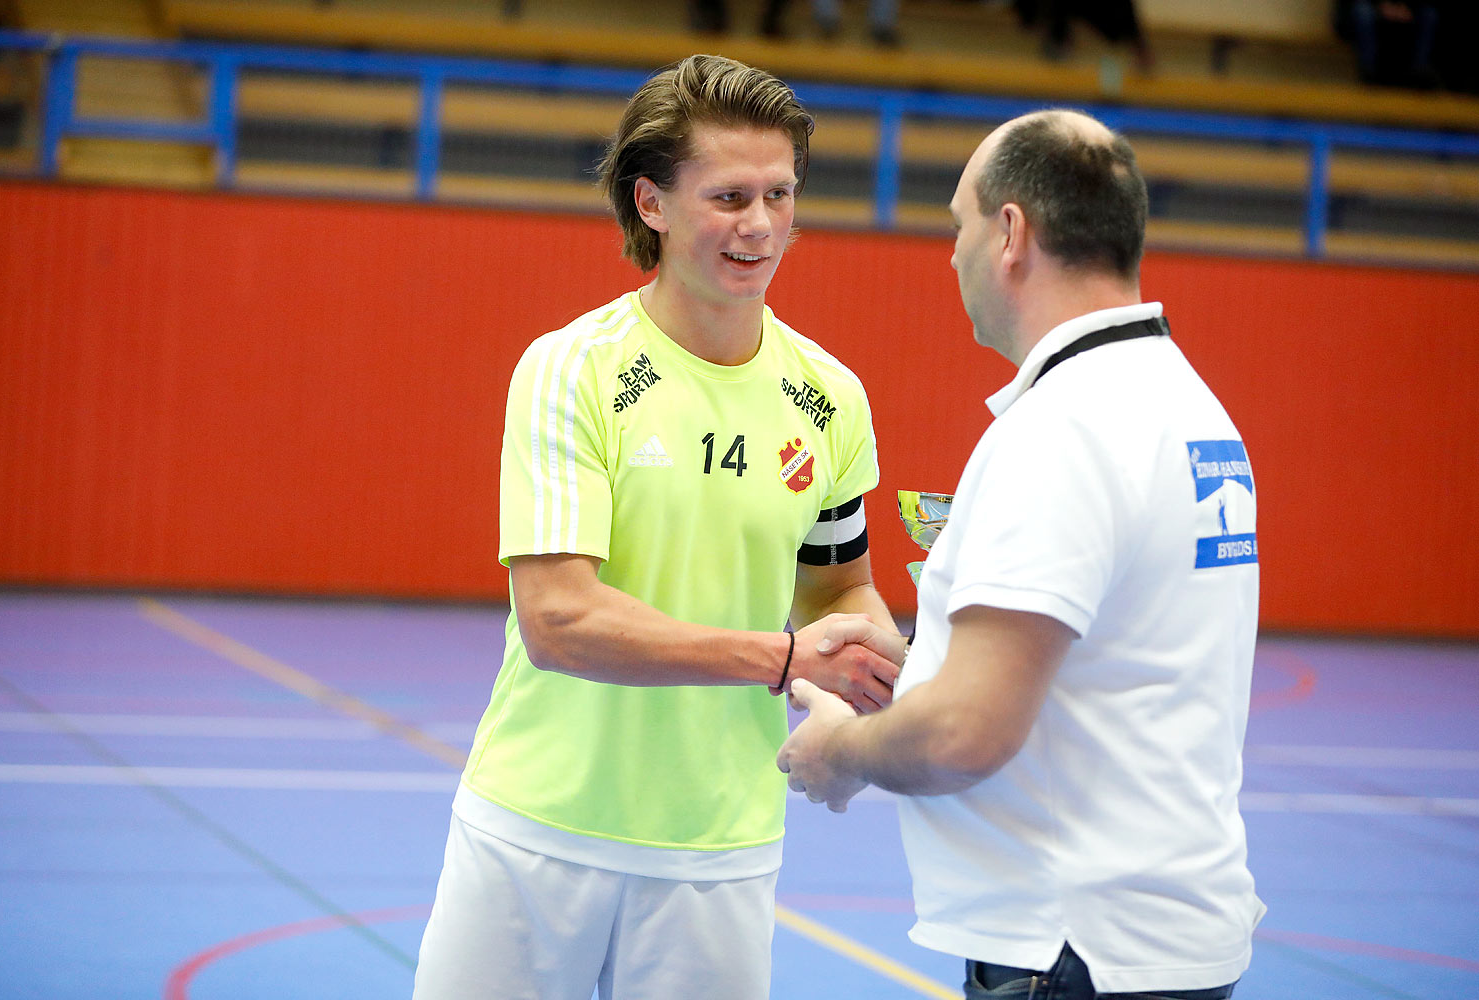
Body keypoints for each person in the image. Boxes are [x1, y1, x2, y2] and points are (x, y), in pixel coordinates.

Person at [412, 54, 902, 1000]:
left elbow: (840, 588)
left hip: (720, 848)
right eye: (727, 196)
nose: (759, 225)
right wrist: (786, 660)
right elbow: (560, 622)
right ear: (652, 206)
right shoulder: (571, 371)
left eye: (779, 194)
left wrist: (864, 680)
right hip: (536, 832)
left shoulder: (831, 398)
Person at [778, 109, 1264, 999]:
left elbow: (968, 733)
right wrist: (931, 663)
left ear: (1010, 234)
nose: (951, 254)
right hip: (1155, 936)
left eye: (958, 224)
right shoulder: (1187, 404)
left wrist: (839, 753)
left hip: (1073, 947)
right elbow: (1098, 659)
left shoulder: (1066, 428)